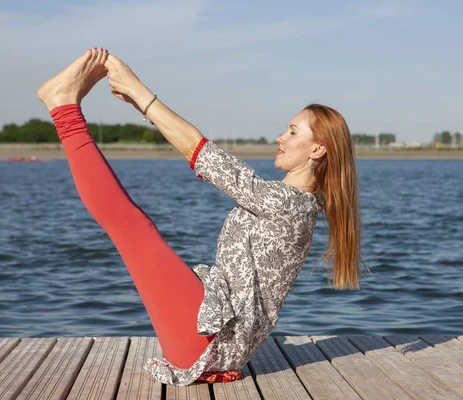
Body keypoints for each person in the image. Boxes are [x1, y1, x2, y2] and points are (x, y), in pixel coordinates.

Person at [37, 48, 363, 386]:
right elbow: (202, 153)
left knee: (132, 226)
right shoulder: (292, 203)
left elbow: (204, 153)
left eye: (293, 132)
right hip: (211, 340)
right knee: (132, 225)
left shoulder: (289, 204)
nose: (281, 137)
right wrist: (140, 104)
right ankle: (64, 106)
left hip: (208, 342)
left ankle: (63, 108)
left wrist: (140, 92)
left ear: (317, 149)